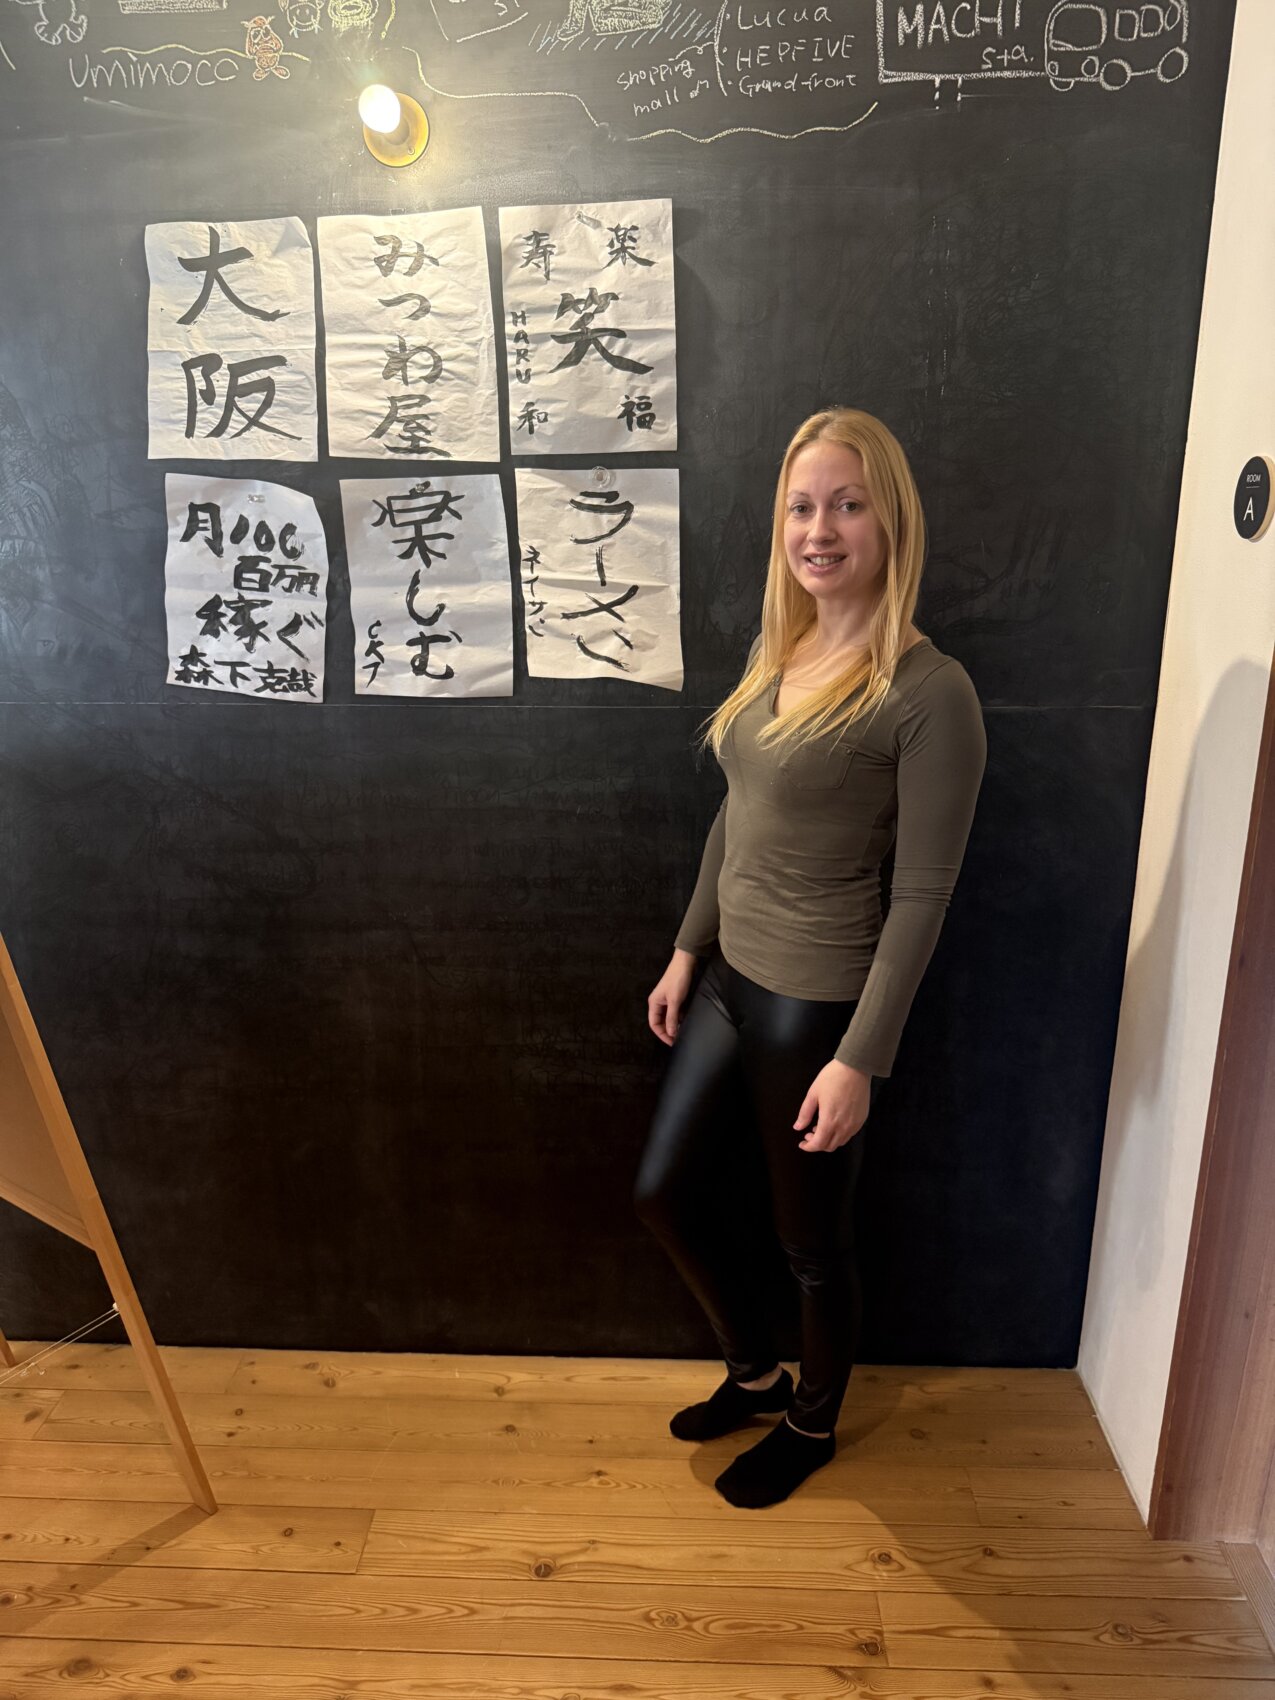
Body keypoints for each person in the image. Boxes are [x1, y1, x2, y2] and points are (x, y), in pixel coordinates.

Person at [634, 406, 987, 1508]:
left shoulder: (929, 691)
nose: (818, 529)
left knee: (812, 1244)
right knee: (664, 1192)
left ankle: (811, 1422)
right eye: (801, 506)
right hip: (728, 982)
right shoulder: (780, 648)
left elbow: (923, 895)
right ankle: (754, 1374)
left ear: (890, 521)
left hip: (816, 1003)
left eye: (846, 505)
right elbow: (733, 815)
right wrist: (686, 950)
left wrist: (859, 1059)